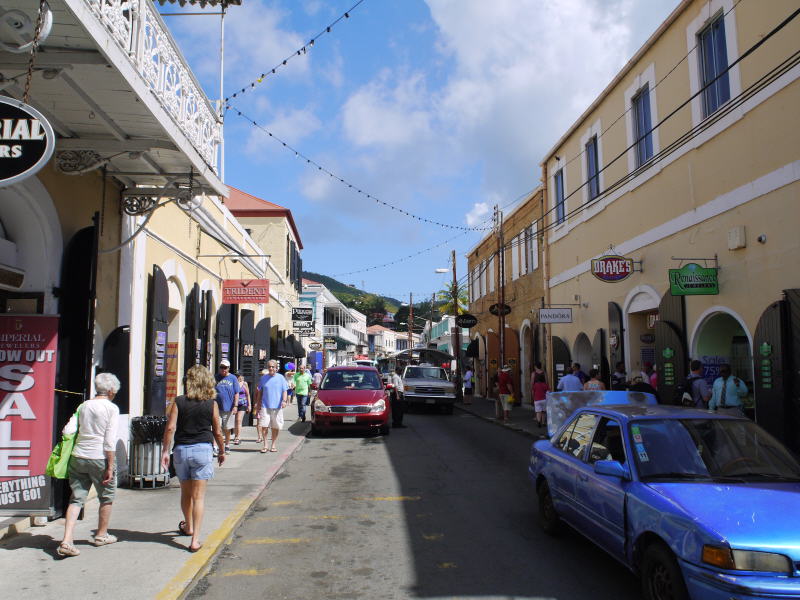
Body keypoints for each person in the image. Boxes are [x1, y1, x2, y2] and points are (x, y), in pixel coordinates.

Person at [161, 365, 225, 553]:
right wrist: (221, 450)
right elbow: (217, 431)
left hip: (181, 450)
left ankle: (187, 526)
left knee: (185, 493)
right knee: (199, 497)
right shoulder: (211, 403)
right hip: (202, 450)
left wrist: (165, 451)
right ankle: (195, 539)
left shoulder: (178, 402)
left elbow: (170, 428)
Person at [57, 372, 121, 557]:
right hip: (99, 456)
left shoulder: (84, 405)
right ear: (110, 391)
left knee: (76, 499)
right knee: (106, 497)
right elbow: (109, 440)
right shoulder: (111, 408)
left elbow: (68, 429)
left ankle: (67, 539)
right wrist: (110, 466)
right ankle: (101, 535)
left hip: (78, 455)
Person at [255, 360, 288, 453]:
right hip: (265, 406)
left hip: (277, 406)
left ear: (276, 368)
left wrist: (284, 401)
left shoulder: (281, 378)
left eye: (273, 367)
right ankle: (265, 444)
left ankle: (273, 444)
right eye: (269, 366)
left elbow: (284, 391)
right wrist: (258, 404)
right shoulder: (263, 378)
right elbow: (260, 393)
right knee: (264, 426)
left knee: (275, 426)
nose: (271, 368)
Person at [214, 360, 238, 454]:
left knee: (227, 428)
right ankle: (216, 446)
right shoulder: (215, 377)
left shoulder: (233, 378)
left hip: (228, 407)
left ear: (228, 368)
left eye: (225, 367)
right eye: (222, 367)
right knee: (217, 428)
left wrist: (235, 405)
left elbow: (236, 393)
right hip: (216, 407)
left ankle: (227, 444)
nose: (223, 369)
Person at [233, 374, 251, 445]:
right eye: (237, 376)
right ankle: (235, 434)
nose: (239, 377)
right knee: (235, 421)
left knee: (239, 420)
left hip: (243, 404)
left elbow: (247, 394)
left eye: (240, 376)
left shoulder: (244, 383)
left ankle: (238, 437)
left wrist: (249, 405)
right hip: (234, 404)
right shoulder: (233, 383)